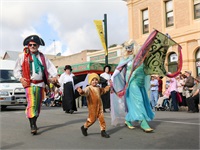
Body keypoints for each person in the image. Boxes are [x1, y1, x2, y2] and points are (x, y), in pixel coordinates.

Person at [14, 35, 58, 135]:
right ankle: (32, 125)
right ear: (28, 46)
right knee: (32, 103)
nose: (32, 46)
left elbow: (50, 68)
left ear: (38, 46)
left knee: (37, 105)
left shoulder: (42, 57)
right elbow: (17, 70)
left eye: (35, 45)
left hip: (40, 84)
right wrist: (20, 78)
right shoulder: (23, 57)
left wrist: (54, 76)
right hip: (29, 84)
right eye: (31, 45)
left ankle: (34, 121)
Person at [110, 39, 154, 133]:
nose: (128, 50)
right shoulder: (126, 59)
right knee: (139, 100)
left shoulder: (141, 57)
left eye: (130, 47)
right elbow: (119, 68)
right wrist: (113, 76)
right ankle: (143, 122)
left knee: (140, 100)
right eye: (127, 48)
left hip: (141, 82)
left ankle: (128, 119)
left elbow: (150, 51)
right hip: (132, 81)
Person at [76, 73, 110, 138]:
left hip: (100, 106)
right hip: (92, 107)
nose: (94, 81)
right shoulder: (88, 88)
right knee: (92, 119)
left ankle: (103, 131)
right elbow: (84, 92)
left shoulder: (98, 88)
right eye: (93, 80)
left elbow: (103, 90)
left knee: (101, 119)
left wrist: (108, 87)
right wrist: (81, 91)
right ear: (90, 81)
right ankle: (84, 127)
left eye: (96, 80)